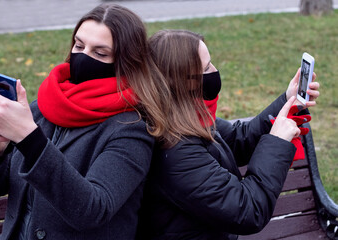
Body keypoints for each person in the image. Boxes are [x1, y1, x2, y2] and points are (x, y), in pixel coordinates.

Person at [0, 4, 168, 240]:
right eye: (79, 45)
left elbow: (92, 210)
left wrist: (30, 139)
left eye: (100, 53)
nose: (83, 57)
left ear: (126, 62)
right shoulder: (43, 107)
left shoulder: (132, 129)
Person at [136, 30, 320, 239]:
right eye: (206, 68)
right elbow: (248, 210)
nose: (215, 71)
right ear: (180, 81)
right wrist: (276, 142)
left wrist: (286, 100)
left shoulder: (184, 117)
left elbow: (237, 139)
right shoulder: (175, 151)